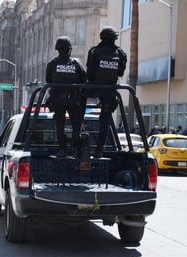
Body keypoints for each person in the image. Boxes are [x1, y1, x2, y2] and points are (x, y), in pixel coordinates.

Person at [86, 26, 127, 158]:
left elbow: (90, 73)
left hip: (94, 88)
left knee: (78, 104)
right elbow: (120, 72)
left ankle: (78, 137)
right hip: (110, 90)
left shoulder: (94, 52)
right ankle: (99, 149)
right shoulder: (120, 53)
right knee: (105, 120)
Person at [46, 36, 87, 157]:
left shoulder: (53, 64)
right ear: (69, 50)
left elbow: (48, 80)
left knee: (60, 125)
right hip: (73, 100)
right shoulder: (76, 64)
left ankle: (62, 149)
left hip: (58, 100)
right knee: (76, 124)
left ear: (58, 49)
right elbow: (84, 79)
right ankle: (75, 148)